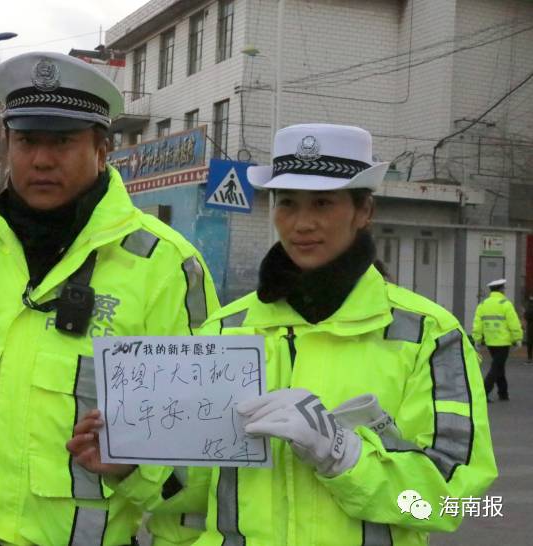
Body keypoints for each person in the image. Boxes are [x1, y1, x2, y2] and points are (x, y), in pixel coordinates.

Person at [70, 124, 497, 546]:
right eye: (287, 203)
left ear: (364, 211)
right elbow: (196, 491)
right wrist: (130, 466)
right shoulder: (227, 329)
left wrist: (345, 457)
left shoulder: (430, 336)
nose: (302, 223)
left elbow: (450, 504)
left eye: (323, 203)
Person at [0, 51, 219, 546]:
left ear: (102, 150)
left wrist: (133, 468)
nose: (41, 160)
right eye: (27, 141)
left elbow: (198, 452)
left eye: (62, 141)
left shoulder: (165, 266)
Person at [473, 278, 523, 401]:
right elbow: (513, 323)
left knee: (499, 366)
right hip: (503, 342)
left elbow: (477, 324)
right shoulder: (505, 304)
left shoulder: (483, 304)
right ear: (501, 290)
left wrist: (477, 339)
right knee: (496, 368)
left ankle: (503, 393)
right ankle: (483, 393)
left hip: (490, 342)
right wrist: (517, 338)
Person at [523, 295, 533, 364]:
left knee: (530, 342)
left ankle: (529, 358)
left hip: (530, 326)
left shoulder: (529, 306)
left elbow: (526, 316)